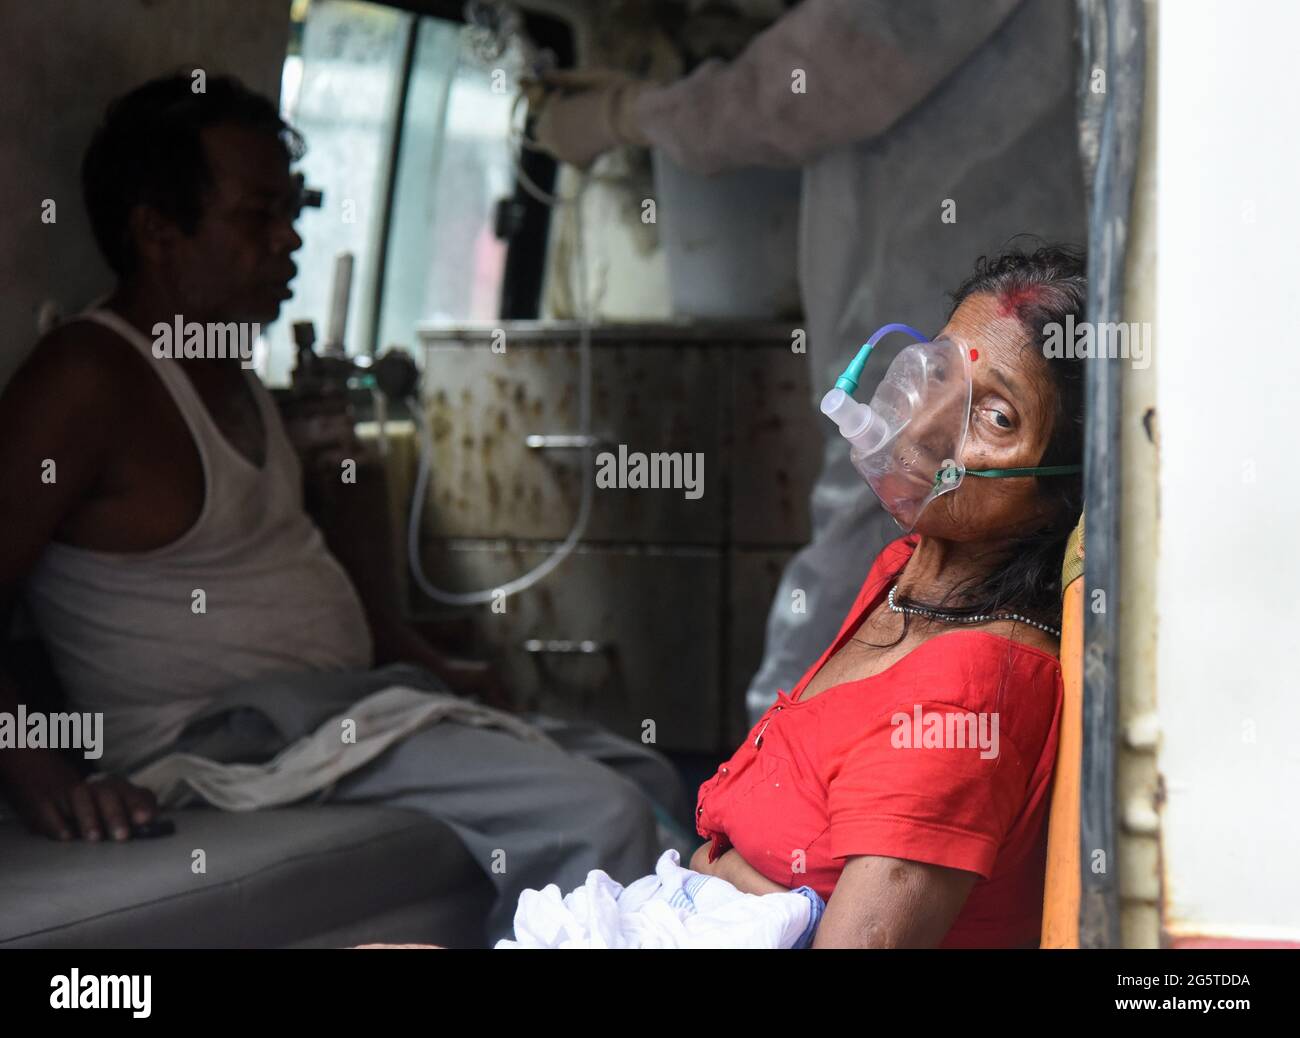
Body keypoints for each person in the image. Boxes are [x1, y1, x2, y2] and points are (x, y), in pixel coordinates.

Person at [0, 73, 687, 940]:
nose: (291, 241)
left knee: (651, 778)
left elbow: (289, 568)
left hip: (335, 712)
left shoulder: (234, 373)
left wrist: (414, 650)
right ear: (157, 231)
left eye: (294, 211)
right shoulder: (87, 379)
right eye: (259, 216)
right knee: (599, 816)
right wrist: (46, 779)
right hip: (223, 741)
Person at [530, 0, 1087, 724]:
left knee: (888, 506)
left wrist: (629, 114)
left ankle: (767, 775)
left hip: (943, 281)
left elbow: (809, 85)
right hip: (983, 284)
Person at [685, 244, 1086, 947]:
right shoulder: (906, 575)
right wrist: (722, 881)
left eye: (996, 417)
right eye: (938, 371)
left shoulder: (968, 695)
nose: (928, 425)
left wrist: (725, 880)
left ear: (1063, 492)